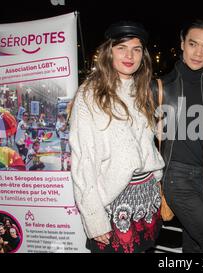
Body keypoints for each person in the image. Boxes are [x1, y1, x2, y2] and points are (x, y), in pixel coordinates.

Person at [69, 21, 165, 253]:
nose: (129, 55)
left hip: (147, 201)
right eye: (122, 48)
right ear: (108, 52)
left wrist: (156, 177)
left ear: (144, 55)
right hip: (113, 205)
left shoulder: (143, 89)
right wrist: (94, 219)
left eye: (137, 49)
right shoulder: (90, 94)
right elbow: (84, 163)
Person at [152, 20, 203, 253]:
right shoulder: (160, 87)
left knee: (193, 246)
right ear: (182, 44)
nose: (198, 52)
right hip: (176, 177)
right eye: (193, 44)